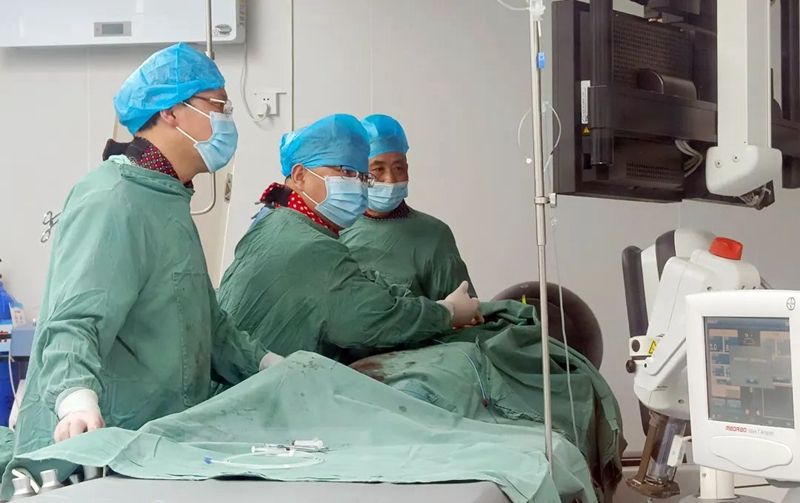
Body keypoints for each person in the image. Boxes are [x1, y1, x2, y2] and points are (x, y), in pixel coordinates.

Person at [13, 43, 279, 455]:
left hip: (160, 440)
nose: (227, 120)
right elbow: (74, 322)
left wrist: (268, 366)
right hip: (100, 445)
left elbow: (204, 324)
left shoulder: (168, 199)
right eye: (219, 107)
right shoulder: (112, 199)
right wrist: (76, 401)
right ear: (170, 111)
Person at [217, 114, 480, 360]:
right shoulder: (308, 244)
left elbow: (358, 283)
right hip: (260, 383)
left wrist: (423, 304)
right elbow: (370, 318)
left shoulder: (278, 220)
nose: (358, 185)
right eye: (346, 172)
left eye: (362, 177)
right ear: (300, 176)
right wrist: (446, 312)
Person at [339, 114, 476, 300]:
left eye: (399, 168)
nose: (390, 179)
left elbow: (466, 310)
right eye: (378, 169)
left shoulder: (433, 235)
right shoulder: (336, 230)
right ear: (358, 173)